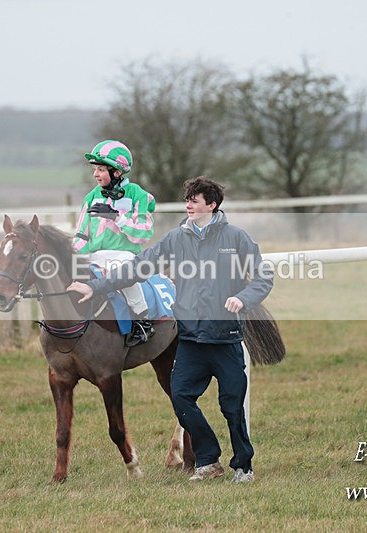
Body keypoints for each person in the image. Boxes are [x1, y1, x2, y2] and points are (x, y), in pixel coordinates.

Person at [68, 176, 274, 483]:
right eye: (187, 199)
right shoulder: (176, 239)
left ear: (212, 205)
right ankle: (208, 461)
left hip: (224, 338)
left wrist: (243, 299)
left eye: (195, 200)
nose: (188, 204)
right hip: (190, 339)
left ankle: (243, 466)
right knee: (180, 398)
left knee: (231, 406)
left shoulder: (236, 238)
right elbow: (137, 267)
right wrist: (95, 286)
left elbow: (262, 277)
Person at [72, 139, 156, 346]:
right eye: (95, 169)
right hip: (95, 255)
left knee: (121, 267)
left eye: (101, 169)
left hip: (125, 255)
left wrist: (117, 218)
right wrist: (72, 256)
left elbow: (144, 233)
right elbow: (81, 234)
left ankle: (142, 320)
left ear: (117, 172)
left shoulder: (138, 195)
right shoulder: (91, 197)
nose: (95, 174)